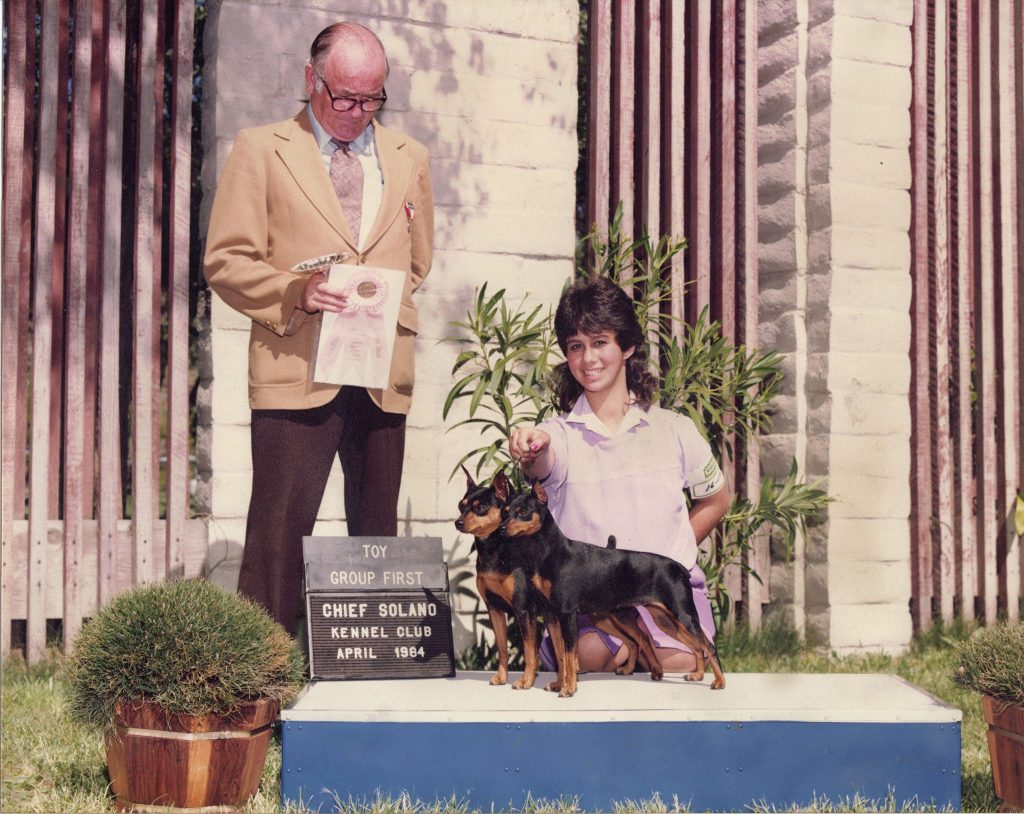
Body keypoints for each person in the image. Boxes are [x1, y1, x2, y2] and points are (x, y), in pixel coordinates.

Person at [204, 22, 434, 631]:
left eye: (372, 99)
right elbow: (226, 261)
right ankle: (265, 688)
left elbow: (417, 261)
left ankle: (373, 693)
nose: (358, 113)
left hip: (383, 369)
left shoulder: (412, 159)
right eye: (344, 97)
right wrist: (294, 291)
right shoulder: (261, 149)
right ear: (311, 80)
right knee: (278, 535)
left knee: (376, 537)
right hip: (295, 365)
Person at [509, 277, 730, 674]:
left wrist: (668, 556)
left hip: (662, 593)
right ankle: (630, 650)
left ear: (627, 346)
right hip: (590, 603)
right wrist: (533, 444)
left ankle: (644, 651)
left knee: (681, 661)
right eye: (576, 347)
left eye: (600, 342)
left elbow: (717, 498)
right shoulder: (557, 434)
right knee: (591, 657)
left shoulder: (675, 429)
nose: (588, 358)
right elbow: (542, 460)